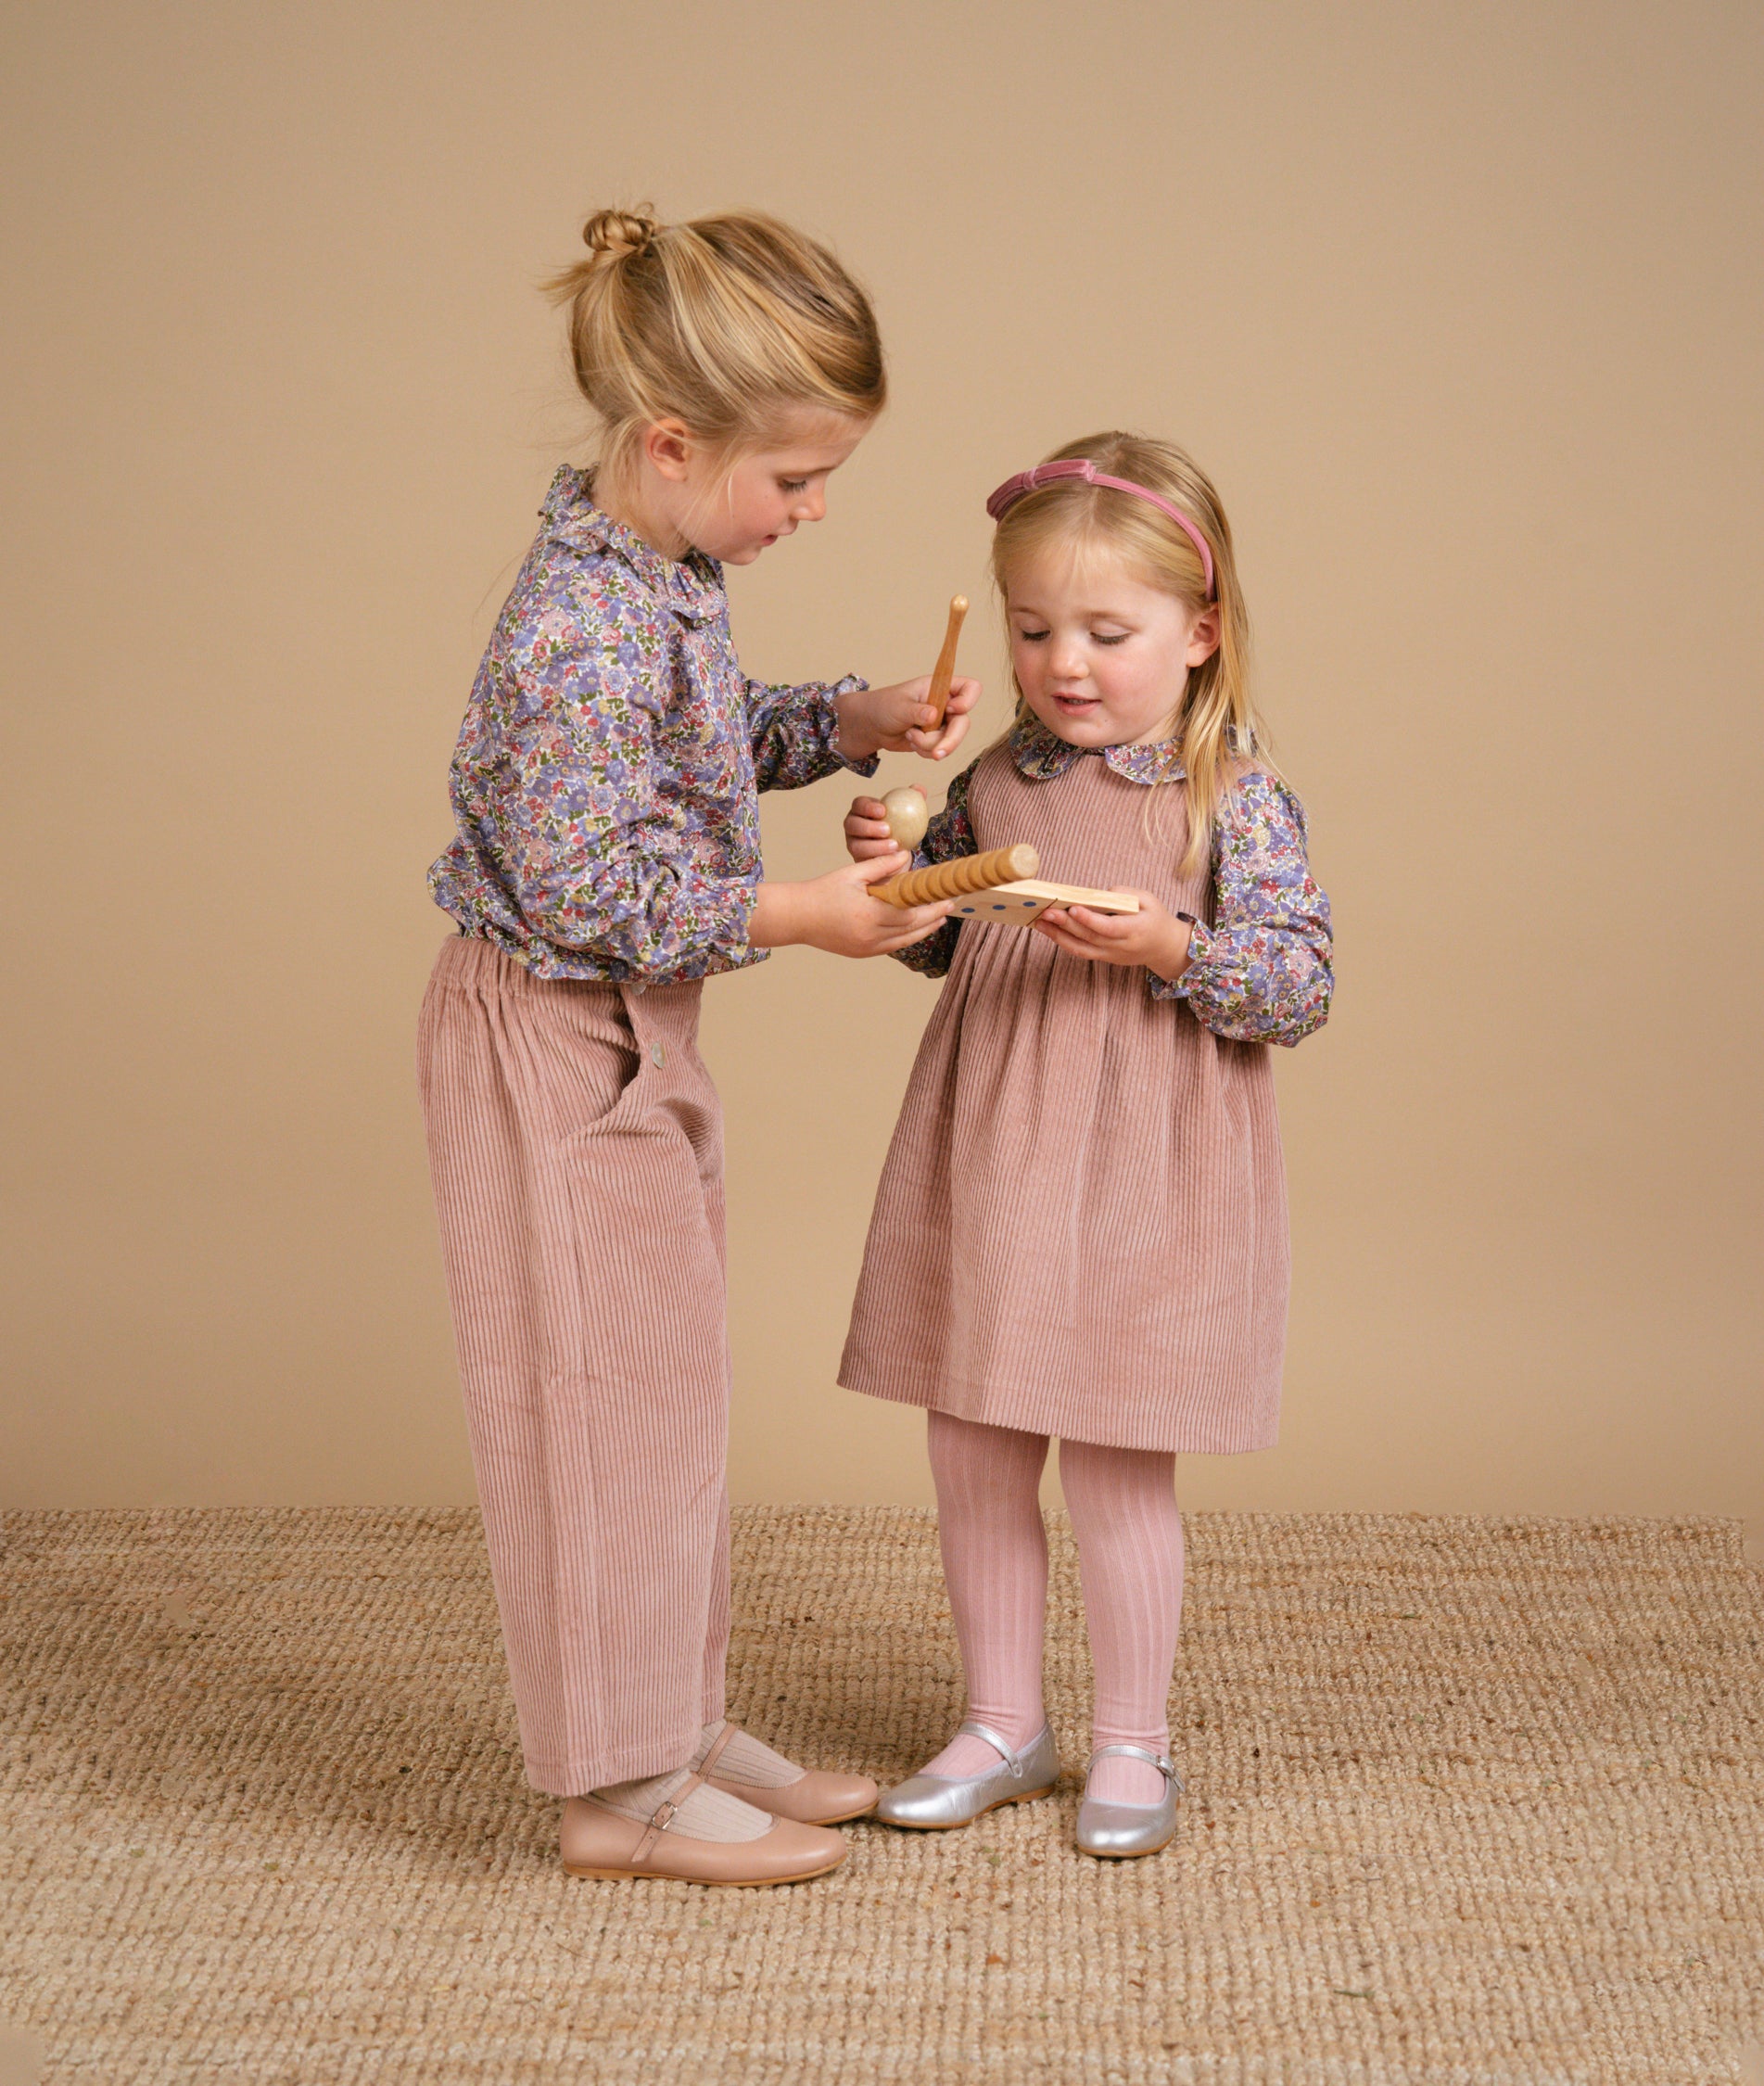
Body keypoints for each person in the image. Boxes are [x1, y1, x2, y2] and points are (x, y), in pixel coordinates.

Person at [419, 207, 977, 1886]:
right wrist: (806, 911)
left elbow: (692, 749)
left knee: (661, 1396)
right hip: (555, 1028)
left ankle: (671, 1717)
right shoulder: (576, 629)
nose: (809, 512)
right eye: (793, 481)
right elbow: (597, 877)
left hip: (627, 1028)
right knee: (595, 1404)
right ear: (672, 443)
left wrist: (847, 715)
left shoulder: (655, 570)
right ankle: (615, 1785)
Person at [838, 432, 1332, 1858]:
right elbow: (945, 956)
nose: (1067, 662)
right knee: (974, 1440)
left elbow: (1297, 983)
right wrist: (907, 881)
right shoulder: (1001, 774)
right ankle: (1003, 1720)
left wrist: (1172, 941)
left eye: (1108, 632)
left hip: (1146, 1165)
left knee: (1118, 1456)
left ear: (1199, 632)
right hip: (995, 1145)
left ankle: (1133, 1743)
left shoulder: (1232, 792)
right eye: (1035, 626)